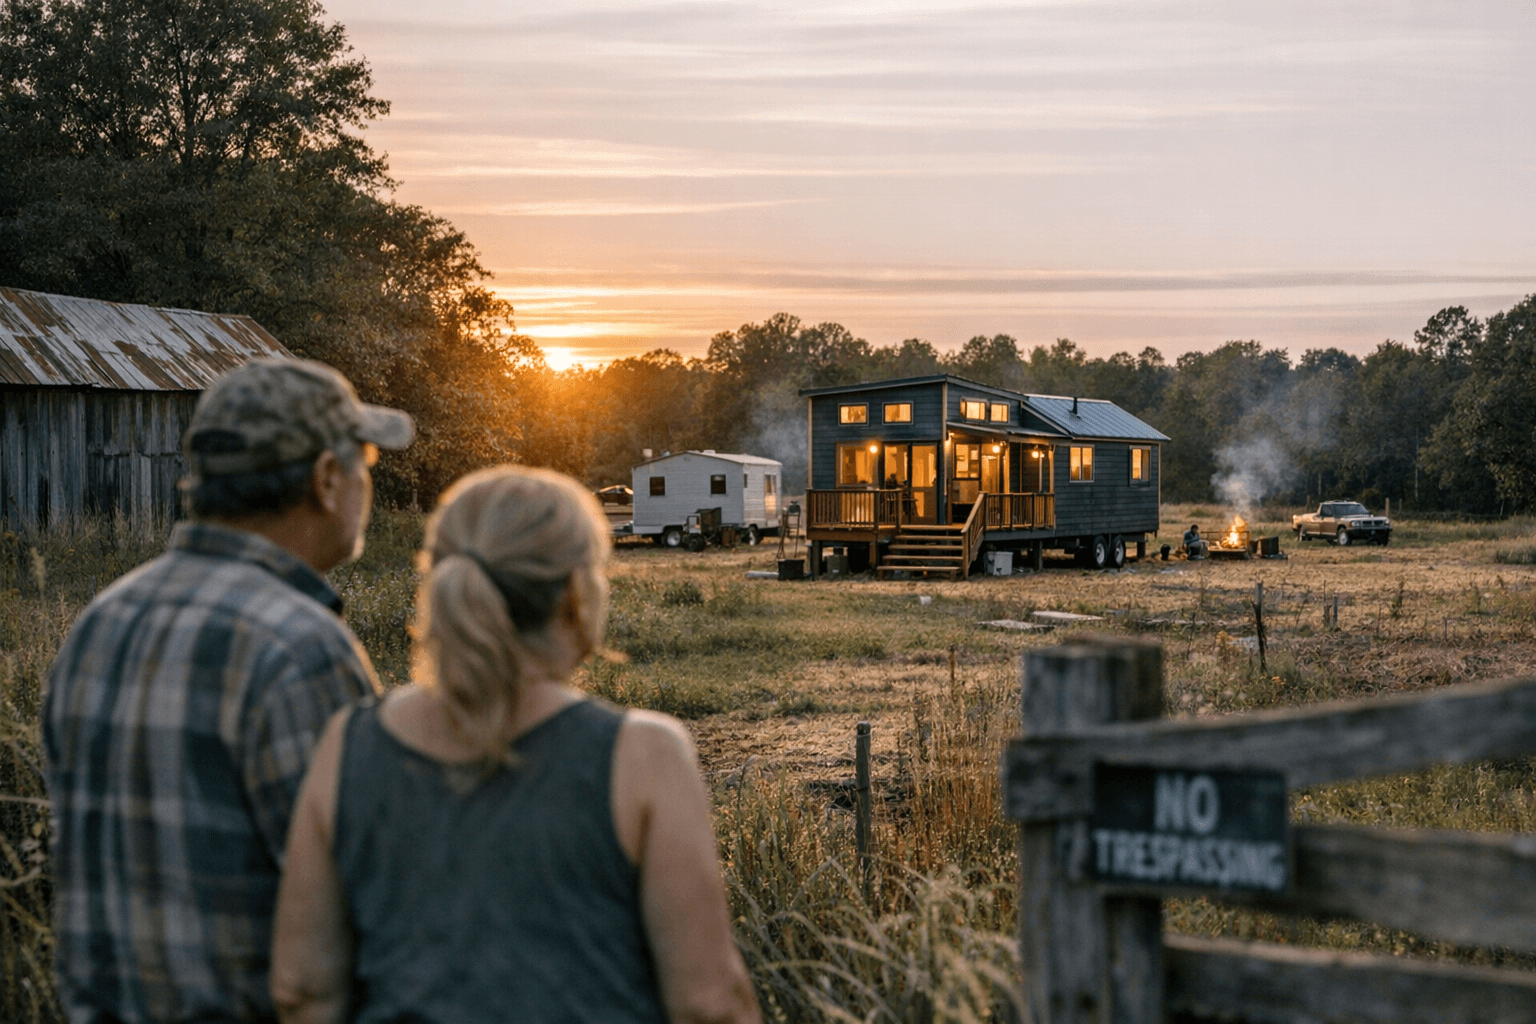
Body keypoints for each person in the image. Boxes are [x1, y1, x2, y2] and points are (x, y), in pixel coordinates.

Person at [270, 466, 761, 1024]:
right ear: (577, 594)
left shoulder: (347, 744)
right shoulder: (645, 757)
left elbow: (303, 989)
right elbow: (708, 1004)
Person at [43, 358, 414, 1024]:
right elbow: (371, 913)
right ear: (328, 480)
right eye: (366, 462)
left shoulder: (99, 622)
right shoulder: (299, 648)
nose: (367, 483)